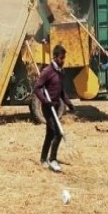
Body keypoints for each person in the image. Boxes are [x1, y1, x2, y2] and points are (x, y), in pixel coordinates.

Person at [33, 44, 75, 173]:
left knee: (50, 133)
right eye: (61, 58)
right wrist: (45, 101)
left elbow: (62, 91)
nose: (63, 60)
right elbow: (37, 88)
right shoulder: (48, 72)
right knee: (58, 133)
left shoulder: (60, 72)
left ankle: (43, 159)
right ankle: (53, 159)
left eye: (64, 58)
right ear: (55, 57)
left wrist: (69, 104)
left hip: (56, 107)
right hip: (48, 108)